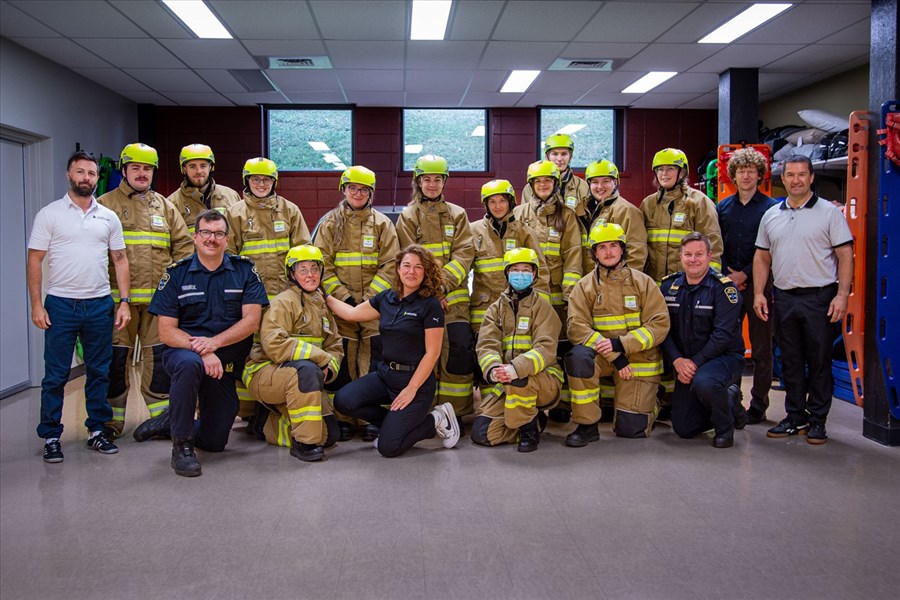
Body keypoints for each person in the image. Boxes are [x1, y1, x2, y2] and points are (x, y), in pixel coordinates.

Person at [27, 151, 132, 462]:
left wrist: (124, 302)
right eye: (80, 172)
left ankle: (97, 430)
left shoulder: (108, 217)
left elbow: (120, 260)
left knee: (99, 371)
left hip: (100, 303)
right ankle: (50, 435)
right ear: (68, 175)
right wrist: (36, 304)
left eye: (91, 173)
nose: (86, 178)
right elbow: (35, 260)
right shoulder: (50, 214)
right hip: (60, 303)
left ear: (97, 178)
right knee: (56, 375)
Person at [145, 209, 267, 477]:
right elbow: (166, 332)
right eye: (206, 233)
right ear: (195, 236)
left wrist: (214, 344)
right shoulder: (177, 275)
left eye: (219, 234)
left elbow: (251, 322)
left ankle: (172, 421)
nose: (212, 239)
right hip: (184, 352)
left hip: (222, 359)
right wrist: (203, 350)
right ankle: (182, 446)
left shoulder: (244, 271)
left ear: (227, 237)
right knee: (189, 366)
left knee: (215, 441)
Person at [753, 155, 854, 444]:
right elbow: (762, 256)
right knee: (789, 361)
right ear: (781, 179)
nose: (795, 180)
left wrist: (842, 295)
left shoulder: (829, 213)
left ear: (811, 178)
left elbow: (845, 255)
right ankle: (795, 417)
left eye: (801, 174)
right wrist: (760, 292)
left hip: (819, 297)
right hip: (783, 297)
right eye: (790, 175)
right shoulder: (772, 214)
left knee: (819, 361)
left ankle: (817, 420)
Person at [327, 245, 460, 457]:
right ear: (398, 269)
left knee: (388, 448)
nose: (411, 271)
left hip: (416, 380)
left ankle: (435, 419)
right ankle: (394, 426)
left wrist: (411, 388)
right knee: (343, 401)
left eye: (418, 267)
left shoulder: (430, 305)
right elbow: (351, 314)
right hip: (386, 375)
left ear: (426, 272)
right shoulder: (386, 298)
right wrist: (321, 294)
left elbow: (432, 353)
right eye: (406, 265)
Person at [98, 143, 192, 437]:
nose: (142, 174)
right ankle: (110, 422)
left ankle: (160, 420)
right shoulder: (104, 205)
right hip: (117, 304)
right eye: (135, 168)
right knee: (114, 362)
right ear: (124, 170)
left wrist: (175, 291)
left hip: (157, 304)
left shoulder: (165, 207)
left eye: (147, 168)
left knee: (159, 362)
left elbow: (184, 249)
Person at [313, 165, 400, 442]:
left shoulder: (383, 224)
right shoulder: (329, 224)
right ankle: (343, 417)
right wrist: (345, 299)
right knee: (343, 357)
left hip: (374, 306)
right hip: (341, 307)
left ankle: (372, 416)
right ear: (344, 189)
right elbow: (321, 265)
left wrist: (369, 300)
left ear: (371, 193)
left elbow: (391, 264)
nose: (358, 193)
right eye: (353, 188)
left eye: (363, 189)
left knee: (377, 357)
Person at [565, 223, 670, 443]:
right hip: (605, 357)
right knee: (578, 357)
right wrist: (615, 355)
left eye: (614, 245)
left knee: (631, 430)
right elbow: (576, 327)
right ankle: (587, 426)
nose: (609, 252)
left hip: (640, 360)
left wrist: (622, 344)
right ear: (594, 253)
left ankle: (655, 399)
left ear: (623, 249)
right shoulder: (584, 287)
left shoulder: (644, 283)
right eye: (602, 247)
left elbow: (659, 324)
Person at [226, 157, 310, 421]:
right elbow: (228, 257)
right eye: (255, 179)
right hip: (250, 302)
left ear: (274, 182)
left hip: (285, 302)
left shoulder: (290, 211)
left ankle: (280, 403)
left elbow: (303, 254)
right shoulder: (235, 213)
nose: (261, 184)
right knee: (249, 353)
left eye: (266, 180)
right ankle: (250, 412)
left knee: (282, 350)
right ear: (247, 182)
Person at [395, 155, 475, 428]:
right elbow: (409, 258)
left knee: (459, 350)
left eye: (437, 179)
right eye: (427, 179)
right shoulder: (408, 217)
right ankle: (424, 410)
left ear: (444, 182)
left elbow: (465, 253)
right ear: (418, 181)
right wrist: (430, 290)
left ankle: (457, 411)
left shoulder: (458, 214)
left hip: (454, 299)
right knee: (424, 353)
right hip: (422, 299)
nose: (432, 184)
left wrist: (442, 285)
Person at [243, 245, 342, 462]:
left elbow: (335, 346)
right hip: (264, 372)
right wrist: (321, 359)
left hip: (300, 376)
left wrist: (329, 369)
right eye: (303, 269)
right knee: (306, 371)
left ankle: (265, 424)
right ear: (292, 274)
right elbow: (275, 345)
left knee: (331, 435)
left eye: (315, 269)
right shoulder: (283, 302)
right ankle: (303, 444)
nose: (310, 275)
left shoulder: (322, 306)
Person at [660, 233, 747, 448]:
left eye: (699, 254)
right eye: (687, 254)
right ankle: (728, 400)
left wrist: (694, 363)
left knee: (704, 381)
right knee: (684, 428)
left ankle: (724, 428)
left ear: (709, 256)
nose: (693, 259)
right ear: (680, 257)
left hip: (724, 358)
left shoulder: (724, 289)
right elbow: (662, 329)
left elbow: (723, 336)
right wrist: (677, 361)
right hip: (686, 363)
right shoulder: (668, 288)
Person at [472, 248, 563, 452]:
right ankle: (534, 420)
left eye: (526, 270)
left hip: (544, 381)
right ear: (507, 273)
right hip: (508, 381)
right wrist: (494, 368)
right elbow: (487, 344)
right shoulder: (495, 309)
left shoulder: (543, 307)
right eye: (515, 269)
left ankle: (529, 430)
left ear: (534, 275)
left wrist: (516, 368)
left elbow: (546, 348)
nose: (520, 274)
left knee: (519, 380)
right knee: (482, 432)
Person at [513, 159, 582, 423]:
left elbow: (574, 254)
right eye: (538, 181)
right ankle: (534, 403)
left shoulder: (567, 216)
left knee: (561, 348)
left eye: (548, 181)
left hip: (559, 299)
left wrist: (570, 292)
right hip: (527, 295)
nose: (543, 185)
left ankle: (561, 402)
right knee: (529, 347)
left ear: (555, 184)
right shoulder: (519, 214)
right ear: (531, 185)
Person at [716, 147, 778, 424]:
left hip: (759, 287)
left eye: (751, 171)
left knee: (762, 348)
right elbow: (717, 246)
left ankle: (759, 406)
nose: (746, 176)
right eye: (741, 171)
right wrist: (730, 276)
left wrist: (744, 275)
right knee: (729, 345)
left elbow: (770, 250)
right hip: (728, 286)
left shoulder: (771, 208)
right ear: (733, 176)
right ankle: (733, 401)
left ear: (759, 175)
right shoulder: (723, 208)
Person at [469, 178, 549, 333]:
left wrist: (540, 308)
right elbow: (463, 266)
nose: (497, 206)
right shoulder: (473, 231)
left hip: (518, 305)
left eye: (502, 201)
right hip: (483, 309)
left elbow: (541, 271)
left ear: (510, 202)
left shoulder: (524, 231)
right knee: (485, 350)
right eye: (492, 202)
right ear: (486, 204)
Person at [640, 148, 723, 283]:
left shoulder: (699, 202)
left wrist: (709, 283)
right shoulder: (648, 204)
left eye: (670, 168)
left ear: (682, 172)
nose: (664, 174)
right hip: (654, 286)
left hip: (687, 286)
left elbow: (712, 244)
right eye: (660, 169)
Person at [580, 160, 647, 272]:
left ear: (615, 183)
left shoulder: (627, 211)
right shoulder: (582, 211)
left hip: (613, 283)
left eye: (605, 181)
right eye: (595, 182)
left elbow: (636, 254)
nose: (600, 186)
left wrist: (623, 283)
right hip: (588, 282)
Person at [167, 143, 241, 233]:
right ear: (184, 169)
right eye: (192, 166)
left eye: (203, 166)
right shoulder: (172, 203)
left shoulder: (231, 196)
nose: (198, 171)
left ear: (211, 167)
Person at [521, 133, 590, 216]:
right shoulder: (530, 188)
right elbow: (524, 219)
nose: (560, 159)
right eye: (555, 154)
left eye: (564, 154)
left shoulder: (582, 186)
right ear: (547, 156)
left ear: (570, 157)